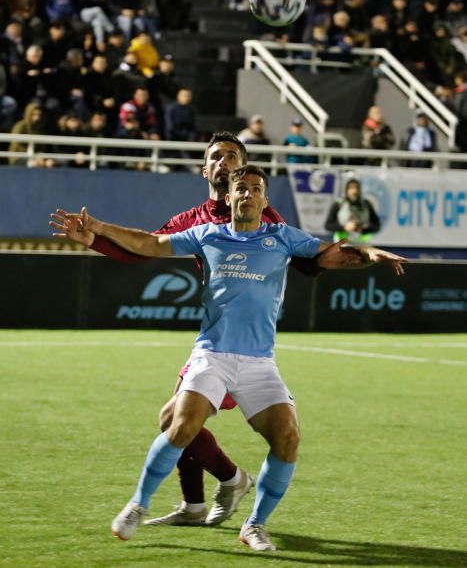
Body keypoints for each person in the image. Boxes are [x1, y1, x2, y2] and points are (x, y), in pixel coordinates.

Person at [50, 164, 406, 551]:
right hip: (213, 355)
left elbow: (331, 255)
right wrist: (98, 228)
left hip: (259, 363)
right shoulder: (207, 234)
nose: (248, 194)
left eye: (256, 188)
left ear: (264, 199)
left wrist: (369, 253)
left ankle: (255, 524)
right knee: (181, 424)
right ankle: (138, 504)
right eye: (242, 188)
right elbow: (150, 243)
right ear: (230, 196)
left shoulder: (282, 237)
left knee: (287, 439)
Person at [49, 131, 324, 528]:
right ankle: (205, 498)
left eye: (233, 157)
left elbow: (301, 257)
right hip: (216, 338)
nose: (225, 163)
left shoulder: (261, 211)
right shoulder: (193, 220)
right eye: (217, 157)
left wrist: (336, 258)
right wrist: (95, 239)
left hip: (246, 344)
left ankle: (224, 484)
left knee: (175, 420)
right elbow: (143, 246)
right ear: (205, 169)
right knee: (176, 421)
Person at [324, 178, 381, 243]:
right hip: (342, 246)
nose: (354, 191)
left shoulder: (366, 205)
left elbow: (377, 226)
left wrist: (363, 228)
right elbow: (328, 225)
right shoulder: (338, 204)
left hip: (362, 246)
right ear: (346, 190)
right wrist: (344, 227)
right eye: (351, 188)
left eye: (356, 188)